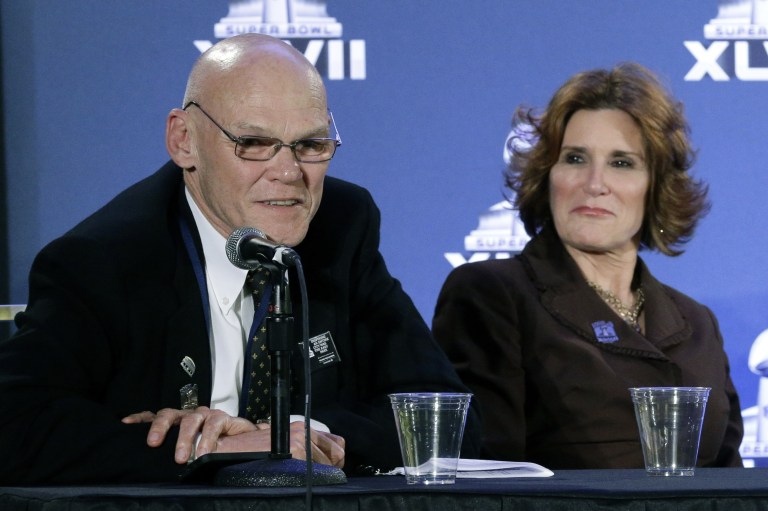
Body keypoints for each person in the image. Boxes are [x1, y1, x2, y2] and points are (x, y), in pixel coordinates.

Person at [0, 33, 480, 484]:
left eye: (311, 145)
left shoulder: (342, 227)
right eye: (253, 144)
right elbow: (16, 425)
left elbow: (443, 415)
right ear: (184, 141)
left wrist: (292, 435)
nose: (289, 172)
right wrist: (209, 450)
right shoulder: (104, 260)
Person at [432, 62, 743, 469]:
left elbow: (731, 482)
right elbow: (488, 477)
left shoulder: (697, 322)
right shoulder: (491, 294)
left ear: (656, 187)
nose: (594, 183)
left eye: (621, 163)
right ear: (548, 175)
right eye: (575, 158)